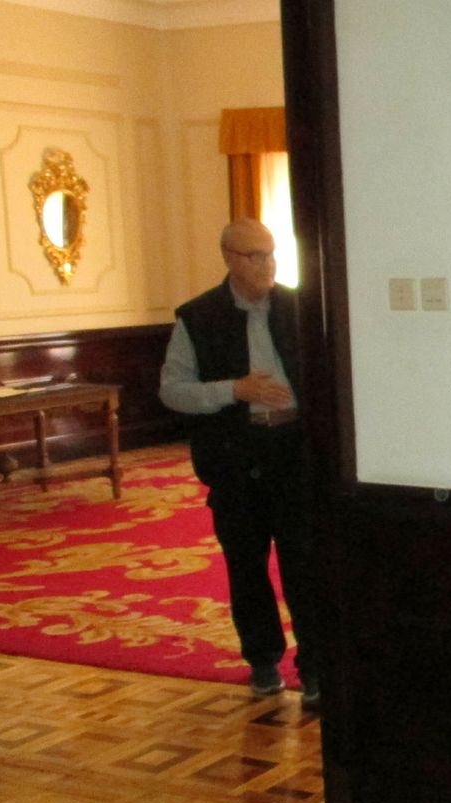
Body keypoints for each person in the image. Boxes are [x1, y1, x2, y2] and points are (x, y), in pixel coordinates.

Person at [159, 218, 320, 709]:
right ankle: (264, 661)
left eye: (271, 254)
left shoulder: (301, 307)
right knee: (246, 566)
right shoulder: (197, 318)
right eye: (256, 256)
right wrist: (235, 390)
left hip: (294, 453)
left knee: (306, 566)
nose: (268, 265)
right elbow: (172, 390)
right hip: (234, 459)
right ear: (229, 257)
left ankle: (315, 669)